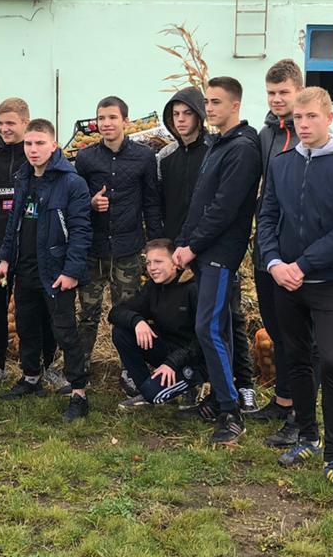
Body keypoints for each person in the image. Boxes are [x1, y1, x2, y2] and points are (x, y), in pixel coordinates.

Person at [257, 86, 333, 496]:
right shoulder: (282, 163)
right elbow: (267, 216)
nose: (303, 125)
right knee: (296, 358)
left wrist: (303, 265)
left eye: (312, 117)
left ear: (329, 118)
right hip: (285, 282)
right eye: (298, 118)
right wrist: (274, 263)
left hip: (325, 284)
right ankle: (308, 435)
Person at [172, 77, 262, 445]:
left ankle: (230, 412)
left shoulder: (243, 148)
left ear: (235, 106)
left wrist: (193, 247)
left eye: (216, 102)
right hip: (203, 251)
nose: (209, 108)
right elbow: (200, 202)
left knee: (208, 327)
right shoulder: (219, 144)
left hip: (221, 254)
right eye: (207, 102)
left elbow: (224, 208)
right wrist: (183, 243)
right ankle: (220, 398)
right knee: (218, 328)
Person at [0, 119, 94, 421]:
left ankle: (79, 393)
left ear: (54, 145)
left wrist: (72, 271)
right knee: (27, 327)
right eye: (28, 143)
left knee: (65, 332)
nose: (33, 149)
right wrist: (5, 258)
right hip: (25, 269)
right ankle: (31, 378)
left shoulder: (72, 183)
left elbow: (81, 231)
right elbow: (14, 223)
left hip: (55, 271)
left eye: (40, 143)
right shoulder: (23, 177)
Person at [73, 96, 163, 389]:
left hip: (127, 250)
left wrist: (155, 244)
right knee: (87, 313)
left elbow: (151, 203)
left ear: (126, 121)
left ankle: (131, 370)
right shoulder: (86, 158)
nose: (106, 123)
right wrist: (90, 203)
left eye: (112, 117)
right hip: (93, 250)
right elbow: (74, 201)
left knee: (128, 312)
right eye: (101, 118)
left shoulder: (144, 157)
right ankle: (79, 369)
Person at [0, 98, 57, 390]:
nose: (5, 129)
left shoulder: (36, 158)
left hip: (31, 250)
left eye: (11, 123)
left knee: (39, 309)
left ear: (25, 122)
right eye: (0, 123)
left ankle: (47, 364)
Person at [251, 60, 306, 424]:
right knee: (275, 329)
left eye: (284, 92)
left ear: (299, 91)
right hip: (266, 248)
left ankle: (303, 407)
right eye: (271, 93)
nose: (277, 99)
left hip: (299, 252)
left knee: (299, 335)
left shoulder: (310, 133)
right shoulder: (265, 135)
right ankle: (283, 399)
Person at [109, 239, 204, 409]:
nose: (152, 268)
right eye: (148, 263)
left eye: (158, 262)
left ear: (175, 263)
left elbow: (203, 339)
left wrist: (172, 363)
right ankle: (146, 389)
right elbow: (115, 313)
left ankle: (193, 385)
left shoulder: (193, 288)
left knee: (154, 393)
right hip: (168, 352)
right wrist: (137, 321)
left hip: (194, 358)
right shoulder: (153, 287)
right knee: (121, 332)